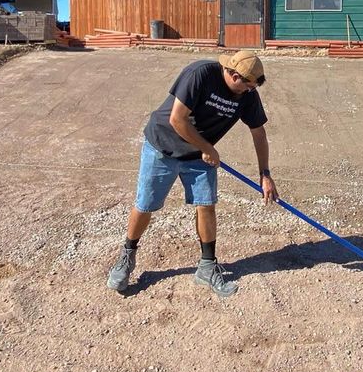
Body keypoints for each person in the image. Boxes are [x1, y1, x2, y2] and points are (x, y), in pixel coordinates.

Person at [106, 50, 278, 298]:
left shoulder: (248, 94)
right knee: (146, 204)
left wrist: (265, 174)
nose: (248, 92)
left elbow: (258, 132)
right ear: (232, 73)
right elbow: (178, 119)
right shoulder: (199, 74)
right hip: (162, 146)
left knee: (206, 205)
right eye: (246, 85)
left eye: (253, 87)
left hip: (199, 154)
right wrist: (207, 148)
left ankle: (207, 267)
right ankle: (127, 255)